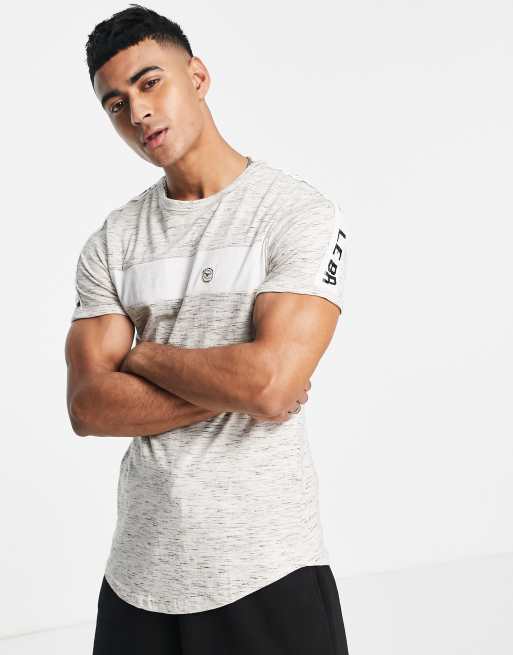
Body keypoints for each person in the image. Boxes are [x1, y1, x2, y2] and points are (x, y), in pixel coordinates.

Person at [65, 4, 350, 654]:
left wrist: (142, 355)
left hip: (266, 569)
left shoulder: (294, 214)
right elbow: (88, 406)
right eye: (115, 104)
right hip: (138, 577)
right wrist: (243, 386)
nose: (137, 113)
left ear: (197, 76)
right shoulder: (112, 241)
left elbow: (272, 384)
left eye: (150, 82)